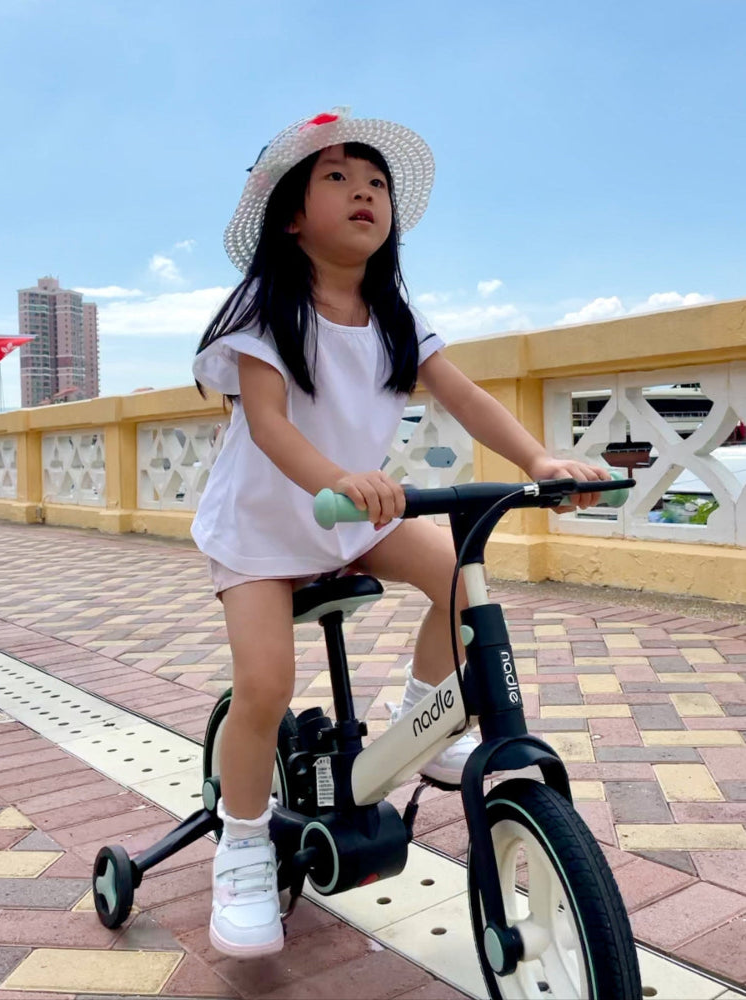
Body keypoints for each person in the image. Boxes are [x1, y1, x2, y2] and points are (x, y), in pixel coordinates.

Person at [191, 107, 608, 959]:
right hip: (264, 529)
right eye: (338, 178)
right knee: (266, 685)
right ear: (292, 216)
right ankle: (239, 844)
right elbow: (268, 426)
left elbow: (465, 397)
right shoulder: (267, 307)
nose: (365, 193)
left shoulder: (395, 316)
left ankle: (425, 722)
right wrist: (339, 478)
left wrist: (540, 457)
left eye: (376, 182)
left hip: (350, 521)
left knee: (459, 572)